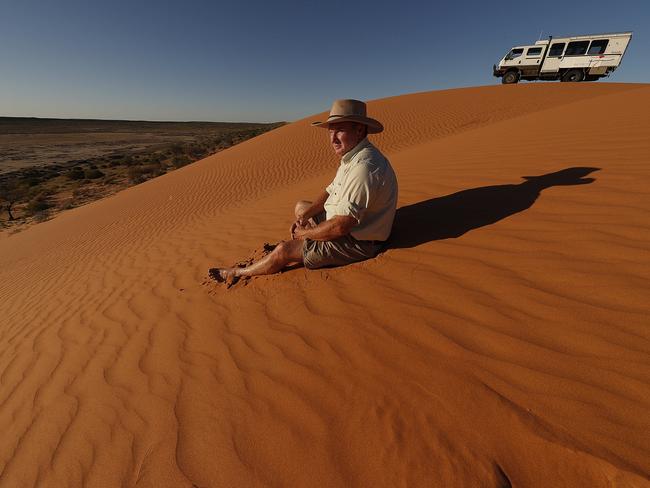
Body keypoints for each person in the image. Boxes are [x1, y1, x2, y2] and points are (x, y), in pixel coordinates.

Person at [209, 99, 398, 284]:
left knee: (283, 250)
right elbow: (330, 191)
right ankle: (307, 243)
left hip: (358, 241)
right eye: (331, 131)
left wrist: (305, 234)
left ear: (359, 130)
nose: (332, 138)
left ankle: (238, 272)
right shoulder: (353, 156)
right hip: (349, 223)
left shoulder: (364, 167)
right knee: (302, 207)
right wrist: (306, 216)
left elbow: (341, 226)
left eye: (339, 130)